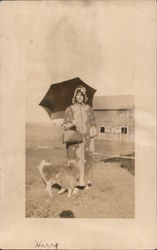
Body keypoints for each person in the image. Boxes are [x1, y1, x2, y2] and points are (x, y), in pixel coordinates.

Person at [62, 85, 97, 187]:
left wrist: (92, 141)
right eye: (77, 95)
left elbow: (93, 125)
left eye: (81, 95)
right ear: (75, 96)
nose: (79, 97)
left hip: (86, 141)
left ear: (84, 96)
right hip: (74, 142)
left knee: (86, 161)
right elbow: (64, 125)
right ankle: (74, 184)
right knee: (74, 161)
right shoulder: (70, 109)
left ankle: (85, 183)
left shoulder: (89, 109)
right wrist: (72, 123)